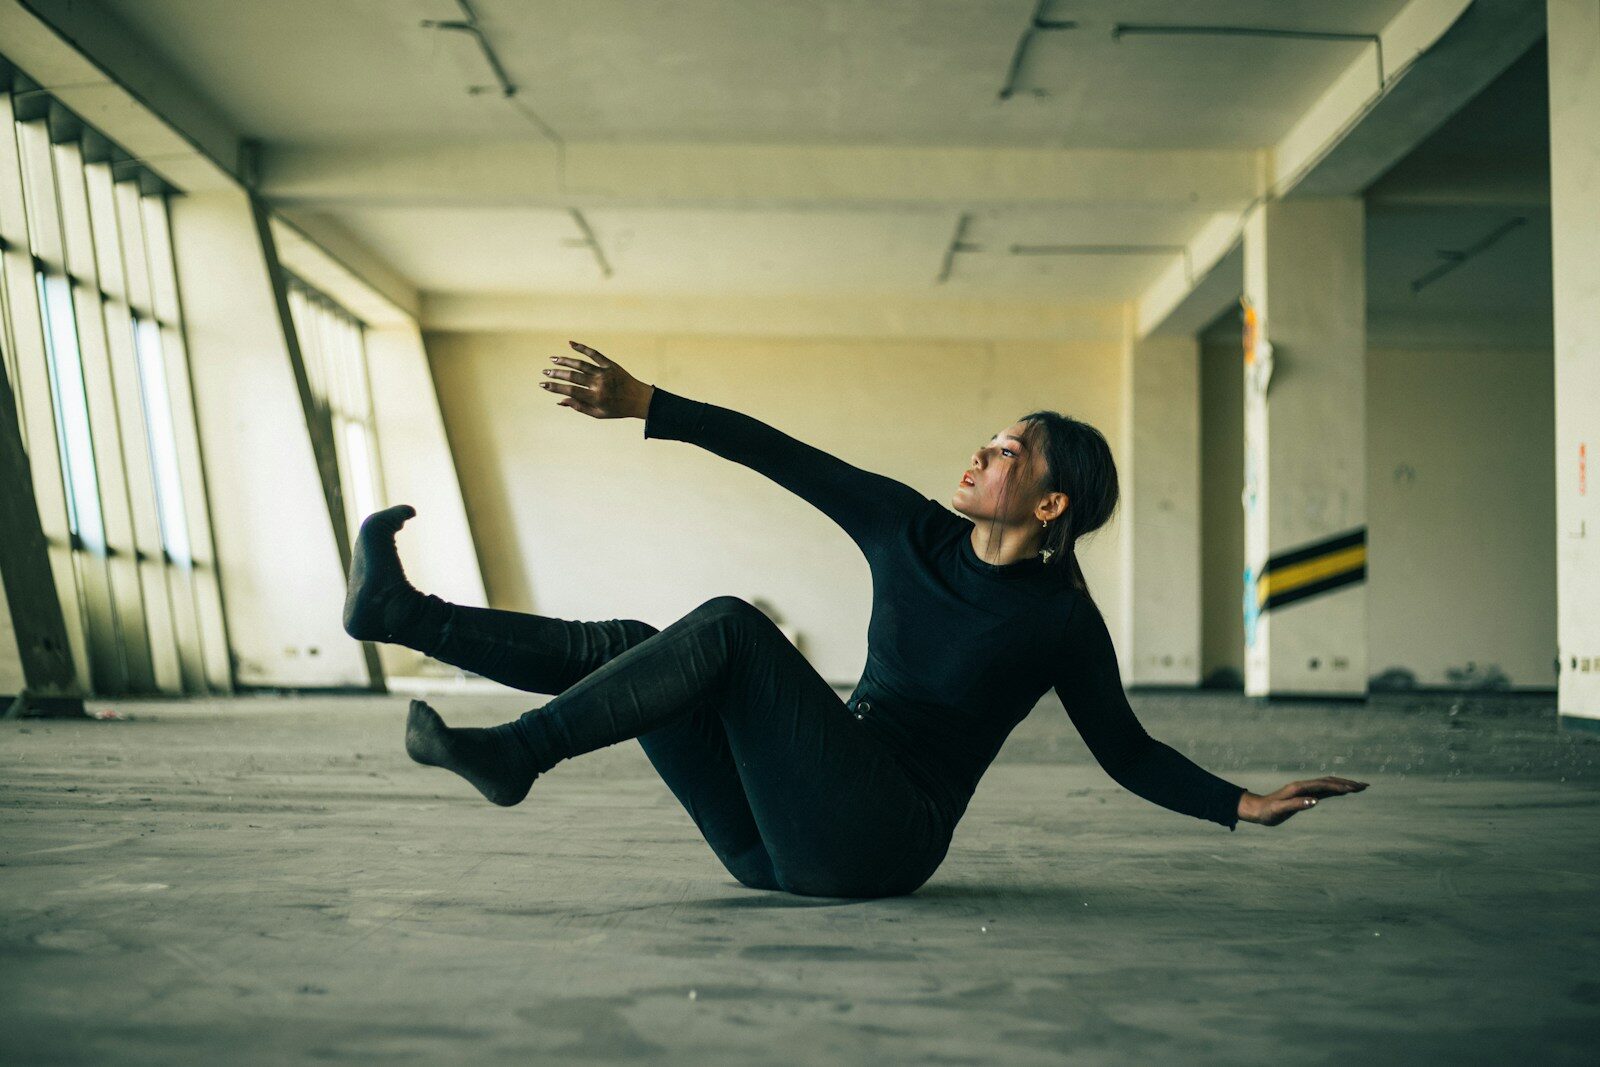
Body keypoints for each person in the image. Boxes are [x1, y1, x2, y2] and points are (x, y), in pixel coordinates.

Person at [342, 340, 1368, 899]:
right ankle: (400, 611)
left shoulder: (1057, 621)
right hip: (767, 846)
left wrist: (1244, 804)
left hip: (880, 844)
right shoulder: (909, 529)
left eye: (1011, 450)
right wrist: (645, 399)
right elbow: (780, 451)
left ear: (1052, 504)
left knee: (730, 627)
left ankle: (519, 752)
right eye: (991, 437)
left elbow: (1126, 750)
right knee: (632, 645)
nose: (984, 453)